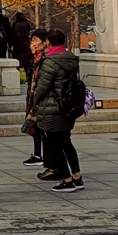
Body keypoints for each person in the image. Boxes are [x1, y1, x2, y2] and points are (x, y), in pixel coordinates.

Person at [32, 27, 84, 190]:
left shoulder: (50, 62)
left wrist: (34, 101)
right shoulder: (71, 59)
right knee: (66, 142)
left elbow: (42, 87)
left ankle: (67, 180)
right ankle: (77, 176)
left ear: (48, 42)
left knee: (54, 144)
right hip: (68, 106)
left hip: (52, 107)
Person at [21, 30, 48, 166]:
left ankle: (48, 159)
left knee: (43, 128)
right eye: (32, 41)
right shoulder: (34, 58)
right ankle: (38, 154)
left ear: (45, 42)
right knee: (35, 126)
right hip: (33, 97)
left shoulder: (46, 58)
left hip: (42, 98)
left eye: (36, 41)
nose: (33, 44)